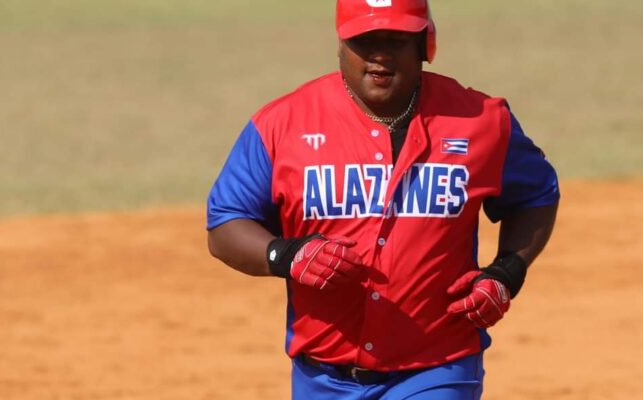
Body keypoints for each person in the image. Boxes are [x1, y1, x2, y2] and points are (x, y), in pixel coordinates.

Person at [206, 0, 559, 398]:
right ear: (341, 43)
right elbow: (225, 224)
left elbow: (536, 195)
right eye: (364, 40)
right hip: (321, 376)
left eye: (395, 40)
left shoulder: (480, 120)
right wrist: (287, 255)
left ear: (424, 44)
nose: (379, 54)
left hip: (437, 367)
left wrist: (506, 273)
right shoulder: (282, 124)